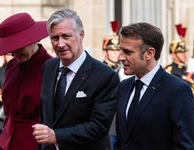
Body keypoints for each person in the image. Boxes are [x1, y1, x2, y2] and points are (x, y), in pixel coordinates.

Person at [32, 9, 119, 150]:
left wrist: (56, 136)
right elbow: (45, 118)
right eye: (55, 38)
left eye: (66, 36)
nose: (60, 44)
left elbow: (98, 127)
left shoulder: (105, 75)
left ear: (81, 35)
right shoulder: (48, 67)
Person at [114, 22, 194, 150]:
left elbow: (184, 145)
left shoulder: (176, 90)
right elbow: (122, 141)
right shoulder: (124, 86)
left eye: (127, 52)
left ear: (149, 53)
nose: (120, 57)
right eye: (120, 50)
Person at [0, 13, 53, 150]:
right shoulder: (12, 65)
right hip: (6, 143)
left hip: (34, 145)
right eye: (10, 48)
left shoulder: (51, 66)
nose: (13, 54)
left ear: (32, 40)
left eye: (18, 47)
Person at [102, 20, 129, 150]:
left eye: (117, 50)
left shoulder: (124, 70)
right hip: (107, 123)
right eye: (111, 50)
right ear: (104, 52)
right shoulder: (99, 71)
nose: (115, 54)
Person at [0, 53, 13, 142]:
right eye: (9, 54)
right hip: (2, 117)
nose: (11, 56)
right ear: (3, 56)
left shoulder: (21, 70)